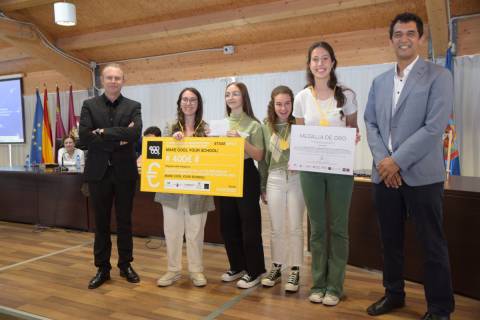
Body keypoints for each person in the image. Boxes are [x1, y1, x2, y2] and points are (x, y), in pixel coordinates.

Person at [364, 13, 454, 320]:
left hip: (421, 176)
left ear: (420, 38)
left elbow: (434, 127)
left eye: (410, 34)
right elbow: (371, 123)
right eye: (398, 34)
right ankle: (394, 294)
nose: (404, 39)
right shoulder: (379, 82)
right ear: (391, 40)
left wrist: (396, 162)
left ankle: (441, 308)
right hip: (384, 175)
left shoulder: (438, 76)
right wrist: (383, 163)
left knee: (432, 244)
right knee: (390, 242)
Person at [293, 41, 359, 306]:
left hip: (340, 170)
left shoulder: (347, 94)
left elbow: (353, 129)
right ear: (309, 65)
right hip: (310, 171)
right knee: (318, 228)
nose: (320, 64)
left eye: (324, 59)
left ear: (333, 62)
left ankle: (335, 286)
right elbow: (299, 135)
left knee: (339, 227)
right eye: (315, 59)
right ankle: (318, 284)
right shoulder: (301, 98)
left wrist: (354, 136)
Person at [79, 63, 142, 289]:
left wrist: (103, 132)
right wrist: (119, 138)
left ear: (123, 81)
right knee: (101, 223)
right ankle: (102, 268)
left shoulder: (134, 106)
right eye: (109, 77)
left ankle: (125, 265)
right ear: (101, 81)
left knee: (125, 221)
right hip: (98, 173)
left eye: (117, 78)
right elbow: (84, 137)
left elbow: (135, 133)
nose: (113, 81)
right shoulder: (89, 105)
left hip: (125, 173)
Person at [154, 88, 214, 288]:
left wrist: (210, 140)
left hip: (197, 190)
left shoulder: (206, 129)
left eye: (193, 99)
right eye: (185, 99)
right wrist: (171, 140)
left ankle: (196, 271)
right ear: (179, 103)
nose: (188, 103)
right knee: (172, 231)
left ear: (199, 103)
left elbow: (214, 157)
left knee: (196, 232)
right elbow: (159, 153)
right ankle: (173, 270)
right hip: (171, 190)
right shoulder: (169, 127)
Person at [258, 85, 305, 292]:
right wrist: (262, 185)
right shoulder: (266, 126)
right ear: (272, 104)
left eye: (287, 103)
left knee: (295, 226)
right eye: (279, 104)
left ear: (293, 104)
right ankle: (276, 267)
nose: (283, 108)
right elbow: (263, 161)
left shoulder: (300, 124)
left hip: (297, 178)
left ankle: (295, 270)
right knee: (276, 227)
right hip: (274, 179)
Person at [219, 81, 266, 289]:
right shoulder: (219, 124)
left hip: (246, 173)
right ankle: (237, 265)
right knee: (228, 223)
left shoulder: (254, 124)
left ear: (243, 97)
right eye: (228, 94)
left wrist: (240, 140)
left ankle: (254, 270)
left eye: (235, 94)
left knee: (249, 224)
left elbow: (259, 155)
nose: (231, 97)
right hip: (224, 174)